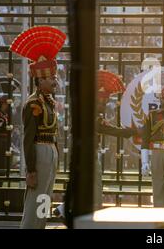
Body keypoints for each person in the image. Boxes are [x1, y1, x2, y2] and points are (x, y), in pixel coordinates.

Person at [53, 70, 136, 217]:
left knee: (84, 181)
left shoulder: (90, 111)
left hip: (86, 148)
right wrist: (129, 132)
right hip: (86, 150)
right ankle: (95, 208)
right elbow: (106, 129)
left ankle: (65, 208)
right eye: (102, 101)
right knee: (95, 181)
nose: (104, 104)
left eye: (105, 101)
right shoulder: (91, 113)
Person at [10, 26, 66, 229]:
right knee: (36, 197)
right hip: (39, 152)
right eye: (51, 78)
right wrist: (31, 169)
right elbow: (28, 138)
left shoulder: (48, 102)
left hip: (50, 151)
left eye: (55, 77)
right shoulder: (33, 104)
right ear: (40, 80)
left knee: (45, 197)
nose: (55, 81)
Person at [0, 77, 20, 211]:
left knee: (2, 172)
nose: (9, 106)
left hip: (4, 145)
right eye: (7, 104)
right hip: (0, 146)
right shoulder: (0, 116)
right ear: (3, 104)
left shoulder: (3, 115)